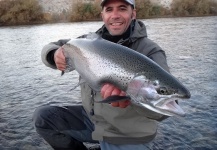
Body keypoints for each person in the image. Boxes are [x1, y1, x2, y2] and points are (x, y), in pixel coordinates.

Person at [33, 0, 170, 150]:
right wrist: (54, 54)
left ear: (133, 14)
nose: (115, 15)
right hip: (93, 121)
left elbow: (164, 111)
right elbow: (53, 46)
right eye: (109, 10)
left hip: (126, 134)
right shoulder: (88, 41)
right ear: (103, 15)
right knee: (44, 118)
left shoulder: (151, 51)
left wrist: (133, 100)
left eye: (122, 9)